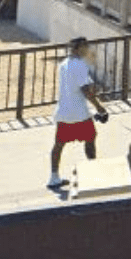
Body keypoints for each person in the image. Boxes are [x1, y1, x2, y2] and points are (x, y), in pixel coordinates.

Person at [47, 37, 109, 190]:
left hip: (63, 112)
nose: (87, 49)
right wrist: (99, 107)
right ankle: (92, 172)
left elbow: (79, 83)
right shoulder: (80, 65)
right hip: (79, 113)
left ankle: (53, 178)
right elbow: (85, 90)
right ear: (76, 49)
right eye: (84, 47)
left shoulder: (64, 64)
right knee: (90, 139)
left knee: (59, 144)